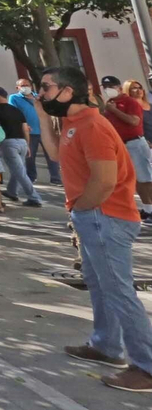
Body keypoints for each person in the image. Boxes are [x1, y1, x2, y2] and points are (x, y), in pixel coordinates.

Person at [39, 65, 152, 391]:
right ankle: (106, 346)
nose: (41, 94)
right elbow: (53, 152)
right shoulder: (74, 123)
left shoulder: (92, 126)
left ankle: (145, 367)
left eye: (46, 88)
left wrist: (82, 208)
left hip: (105, 218)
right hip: (93, 216)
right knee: (100, 284)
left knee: (119, 291)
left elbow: (105, 181)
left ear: (67, 91)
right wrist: (44, 116)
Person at [100, 76, 152, 222]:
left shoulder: (129, 102)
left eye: (111, 86)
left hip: (135, 144)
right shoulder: (110, 104)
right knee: (133, 179)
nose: (107, 89)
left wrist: (115, 111)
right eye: (105, 87)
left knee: (145, 178)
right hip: (120, 145)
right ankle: (147, 208)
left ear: (119, 88)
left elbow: (134, 121)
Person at [0, 87, 42, 207]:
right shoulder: (16, 110)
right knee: (18, 170)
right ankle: (12, 191)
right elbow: (25, 128)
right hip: (22, 142)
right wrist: (27, 145)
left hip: (9, 143)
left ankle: (34, 198)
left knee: (20, 172)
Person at [12, 77, 58, 185]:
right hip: (29, 132)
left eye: (27, 85)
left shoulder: (38, 97)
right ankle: (31, 177)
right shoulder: (14, 98)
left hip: (44, 130)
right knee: (30, 156)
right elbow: (13, 112)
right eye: (22, 86)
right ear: (17, 88)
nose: (25, 87)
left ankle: (56, 178)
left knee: (52, 155)